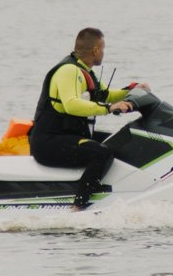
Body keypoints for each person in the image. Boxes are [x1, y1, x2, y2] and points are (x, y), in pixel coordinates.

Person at [29, 27, 146, 209]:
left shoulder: (84, 71)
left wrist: (132, 90)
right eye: (103, 48)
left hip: (69, 135)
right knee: (102, 154)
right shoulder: (68, 70)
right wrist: (109, 108)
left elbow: (106, 95)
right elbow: (71, 104)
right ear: (96, 50)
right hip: (48, 142)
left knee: (119, 140)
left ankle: (129, 189)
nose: (104, 53)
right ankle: (79, 206)